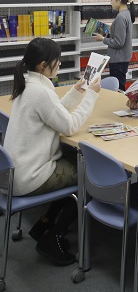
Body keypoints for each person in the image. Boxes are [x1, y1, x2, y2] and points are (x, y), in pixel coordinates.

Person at [4, 38, 101, 266]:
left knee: (72, 161)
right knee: (90, 176)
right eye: (55, 61)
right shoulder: (40, 93)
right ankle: (53, 235)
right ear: (42, 65)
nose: (59, 64)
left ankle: (45, 223)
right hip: (29, 177)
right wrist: (91, 96)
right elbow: (69, 125)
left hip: (13, 173)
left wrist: (76, 92)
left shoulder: (28, 86)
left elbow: (53, 112)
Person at [91, 0, 136, 90]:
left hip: (118, 60)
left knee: (118, 89)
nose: (110, 2)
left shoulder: (121, 17)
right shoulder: (126, 13)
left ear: (119, 0)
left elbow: (118, 42)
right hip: (122, 58)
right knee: (120, 86)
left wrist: (102, 39)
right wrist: (109, 29)